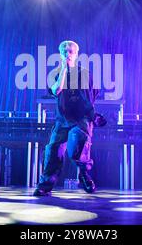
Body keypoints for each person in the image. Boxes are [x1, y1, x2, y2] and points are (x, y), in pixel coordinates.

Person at [33, 40, 101, 196]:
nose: (67, 54)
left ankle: (84, 175)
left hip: (81, 118)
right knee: (53, 150)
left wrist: (91, 116)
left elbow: (91, 96)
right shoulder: (55, 73)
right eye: (64, 52)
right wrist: (64, 69)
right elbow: (56, 90)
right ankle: (45, 184)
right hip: (62, 118)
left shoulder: (84, 73)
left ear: (76, 54)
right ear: (60, 54)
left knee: (79, 144)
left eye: (70, 51)